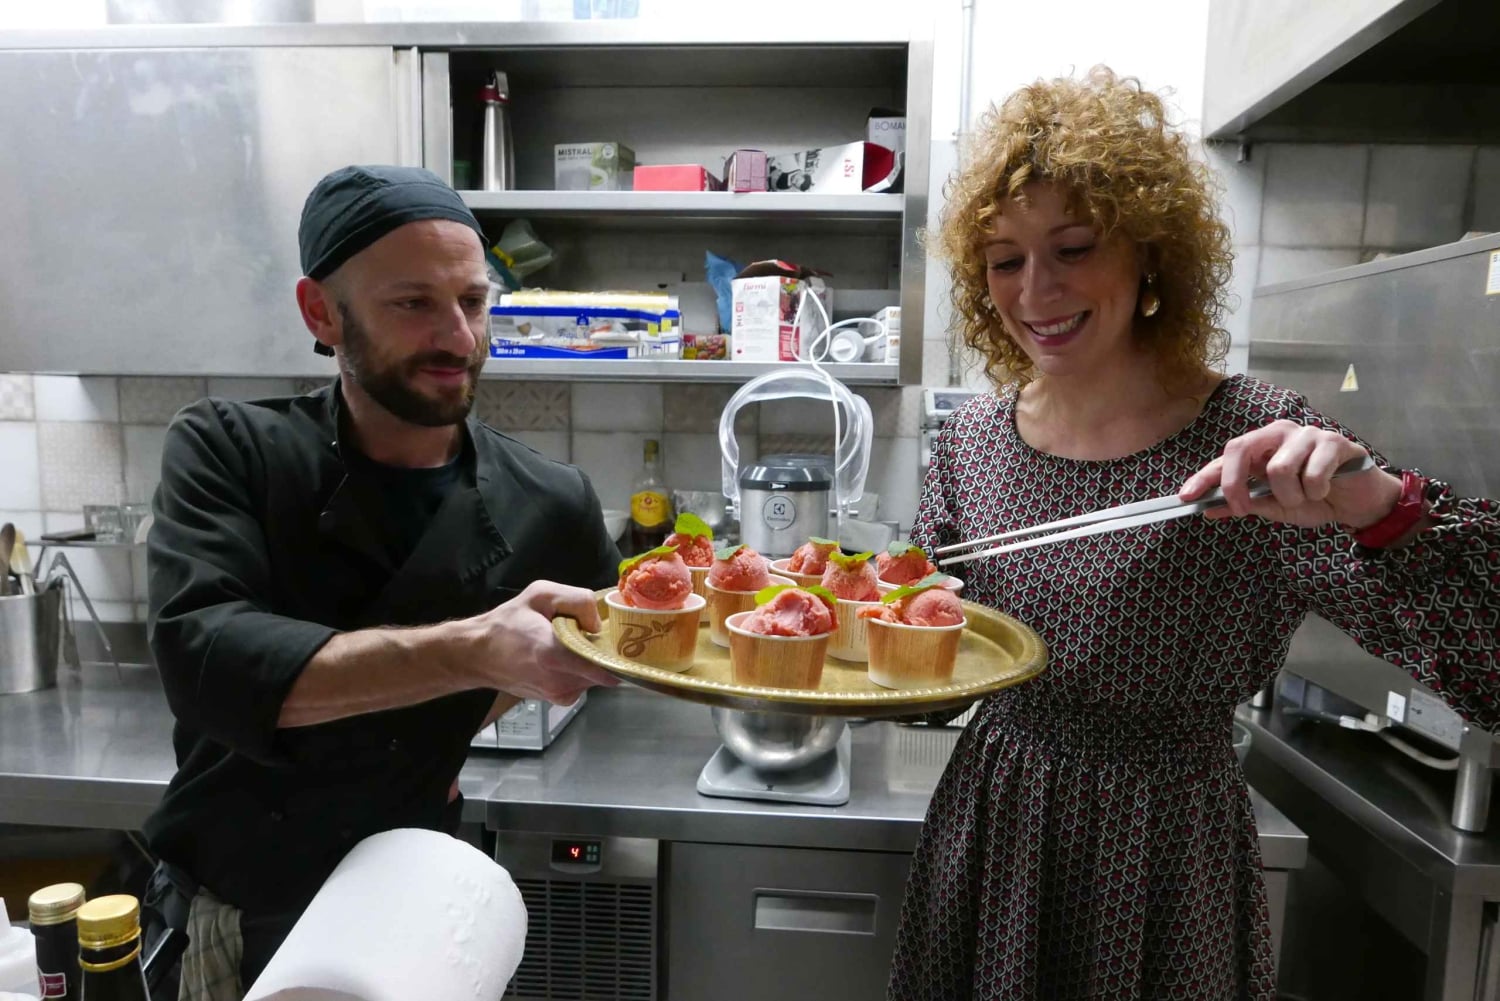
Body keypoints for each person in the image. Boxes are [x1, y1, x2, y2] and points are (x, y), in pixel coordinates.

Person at [889, 68, 1500, 1000]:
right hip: (993, 820)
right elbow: (928, 655)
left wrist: (1378, 502)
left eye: (1073, 247)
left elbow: (1484, 665)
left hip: (1163, 844)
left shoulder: (1252, 441)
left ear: (1148, 257)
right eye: (1004, 259)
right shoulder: (972, 438)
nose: (1036, 289)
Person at [139, 165, 621, 999]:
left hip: (412, 907)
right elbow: (205, 659)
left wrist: (444, 718)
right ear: (321, 312)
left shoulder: (551, 500)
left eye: (473, 301)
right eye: (414, 304)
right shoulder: (230, 448)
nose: (460, 337)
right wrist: (474, 654)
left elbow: (596, 652)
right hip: (235, 912)